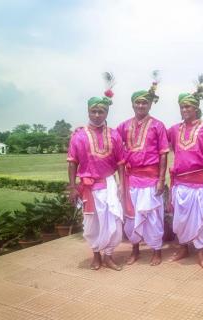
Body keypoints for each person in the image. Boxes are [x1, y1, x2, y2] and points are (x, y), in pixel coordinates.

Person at [167, 74, 203, 269]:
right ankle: (183, 249)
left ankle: (201, 255)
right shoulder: (174, 130)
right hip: (180, 184)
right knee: (180, 220)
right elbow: (159, 144)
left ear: (196, 108)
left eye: (188, 107)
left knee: (201, 222)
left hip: (199, 185)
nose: (185, 110)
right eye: (182, 107)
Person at [67, 81, 125, 271]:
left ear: (107, 113)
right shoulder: (79, 136)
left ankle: (109, 256)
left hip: (109, 185)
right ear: (88, 112)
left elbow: (121, 163)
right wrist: (72, 187)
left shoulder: (114, 135)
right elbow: (72, 162)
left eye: (101, 112)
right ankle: (96, 256)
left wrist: (122, 185)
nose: (97, 115)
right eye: (94, 111)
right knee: (92, 225)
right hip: (89, 188)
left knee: (114, 223)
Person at [117, 74, 169, 266]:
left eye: (144, 103)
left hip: (151, 178)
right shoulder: (123, 126)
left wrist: (161, 179)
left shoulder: (158, 125)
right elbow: (113, 142)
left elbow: (164, 153)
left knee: (153, 217)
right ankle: (135, 250)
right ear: (132, 105)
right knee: (131, 217)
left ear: (149, 105)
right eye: (137, 103)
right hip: (131, 179)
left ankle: (156, 251)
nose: (141, 106)